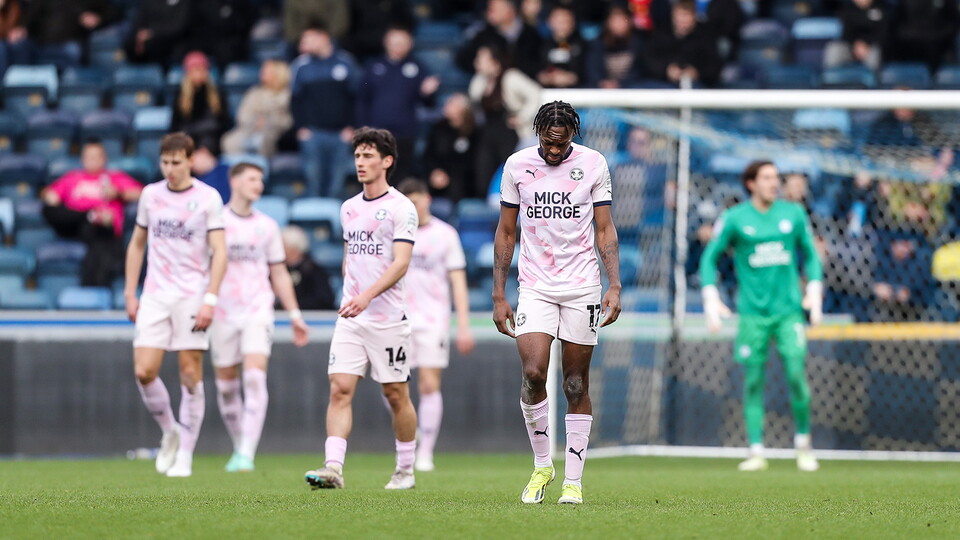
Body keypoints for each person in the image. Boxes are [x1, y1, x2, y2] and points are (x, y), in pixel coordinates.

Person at [492, 101, 622, 505]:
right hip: (535, 285)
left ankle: (574, 482)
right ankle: (542, 465)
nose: (554, 150)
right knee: (533, 372)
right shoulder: (516, 166)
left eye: (561, 143)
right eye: (548, 143)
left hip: (583, 285)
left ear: (572, 136)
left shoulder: (594, 164)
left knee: (575, 382)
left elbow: (605, 229)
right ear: (539, 134)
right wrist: (499, 293)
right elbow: (506, 231)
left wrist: (614, 285)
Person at [304, 127, 420, 491]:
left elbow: (400, 263)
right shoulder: (348, 208)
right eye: (357, 156)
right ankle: (333, 469)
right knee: (340, 389)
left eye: (369, 156)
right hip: (352, 317)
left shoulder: (402, 208)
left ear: (387, 161)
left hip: (387, 319)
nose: (361, 162)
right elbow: (350, 255)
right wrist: (350, 289)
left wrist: (367, 295)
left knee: (395, 394)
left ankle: (405, 469)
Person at [698, 160, 823, 473]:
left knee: (796, 376)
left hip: (788, 313)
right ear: (751, 183)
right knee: (753, 382)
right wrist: (710, 295)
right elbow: (709, 258)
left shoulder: (793, 214)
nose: (774, 183)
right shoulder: (735, 218)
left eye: (776, 178)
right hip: (752, 315)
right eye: (767, 178)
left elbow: (810, 254)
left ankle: (804, 445)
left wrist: (816, 288)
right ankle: (756, 450)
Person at [124, 132, 227, 478]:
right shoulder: (150, 195)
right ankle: (171, 429)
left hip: (192, 295)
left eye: (176, 162)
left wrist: (210, 299)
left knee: (189, 374)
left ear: (191, 160)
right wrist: (129, 291)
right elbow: (137, 244)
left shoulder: (208, 197)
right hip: (155, 294)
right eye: (165, 162)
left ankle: (185, 454)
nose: (170, 169)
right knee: (144, 371)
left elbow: (220, 252)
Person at [212, 162, 310, 473]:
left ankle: (245, 453)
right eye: (252, 179)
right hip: (222, 311)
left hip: (257, 309)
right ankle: (240, 445)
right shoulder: (216, 222)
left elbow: (278, 273)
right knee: (226, 387)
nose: (259, 184)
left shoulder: (267, 226)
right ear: (235, 182)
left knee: (254, 377)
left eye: (261, 179)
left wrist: (294, 313)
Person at [396, 178, 474, 472]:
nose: (413, 206)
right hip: (397, 319)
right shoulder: (396, 233)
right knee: (392, 385)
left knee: (429, 383)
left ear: (427, 199)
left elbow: (457, 281)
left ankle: (425, 451)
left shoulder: (445, 235)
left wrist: (462, 324)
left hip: (432, 319)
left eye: (416, 200)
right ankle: (410, 431)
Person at [41, 140, 142, 287]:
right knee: (48, 209)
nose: (92, 161)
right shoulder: (73, 177)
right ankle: (89, 215)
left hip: (101, 226)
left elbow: (141, 193)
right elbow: (48, 193)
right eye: (88, 157)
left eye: (96, 157)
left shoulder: (114, 177)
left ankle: (93, 290)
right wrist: (50, 195)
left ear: (104, 158)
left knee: (101, 237)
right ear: (82, 159)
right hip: (74, 222)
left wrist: (118, 193)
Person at [355, 25, 438, 182]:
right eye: (394, 42)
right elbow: (362, 100)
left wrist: (428, 92)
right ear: (386, 43)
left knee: (402, 177)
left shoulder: (417, 67)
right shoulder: (374, 67)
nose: (397, 47)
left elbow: (428, 103)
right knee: (375, 176)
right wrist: (362, 130)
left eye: (402, 43)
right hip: (377, 134)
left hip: (405, 134)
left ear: (410, 44)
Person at [290, 24, 360, 198]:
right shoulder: (301, 65)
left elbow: (356, 98)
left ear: (324, 38)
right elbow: (295, 101)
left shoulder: (346, 62)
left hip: (340, 134)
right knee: (313, 181)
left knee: (337, 184)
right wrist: (301, 127)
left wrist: (352, 126)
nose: (304, 43)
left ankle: (335, 222)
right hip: (312, 134)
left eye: (308, 38)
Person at [469, 43, 541, 198]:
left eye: (481, 58)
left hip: (509, 132)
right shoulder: (480, 80)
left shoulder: (511, 77)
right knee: (483, 174)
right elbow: (474, 100)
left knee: (511, 174)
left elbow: (535, 94)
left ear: (495, 62)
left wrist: (522, 117)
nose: (477, 62)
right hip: (488, 133)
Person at [640, 0, 723, 88]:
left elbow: (714, 64)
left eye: (686, 15)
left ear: (694, 16)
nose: (682, 20)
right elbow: (648, 60)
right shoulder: (660, 33)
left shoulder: (706, 35)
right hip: (662, 82)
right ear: (673, 15)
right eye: (679, 14)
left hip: (697, 84)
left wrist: (696, 72)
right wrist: (667, 70)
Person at [221, 59, 293, 158]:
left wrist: (268, 122)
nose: (261, 73)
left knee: (262, 141)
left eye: (266, 71)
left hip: (273, 133)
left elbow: (288, 121)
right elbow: (242, 115)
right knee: (229, 141)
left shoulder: (286, 96)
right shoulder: (254, 93)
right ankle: (238, 170)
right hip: (249, 129)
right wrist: (255, 122)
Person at [455, 0, 543, 80]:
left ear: (510, 10)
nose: (489, 12)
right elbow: (464, 59)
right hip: (492, 88)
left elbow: (537, 64)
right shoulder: (484, 35)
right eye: (489, 8)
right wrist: (481, 64)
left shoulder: (531, 35)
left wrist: (503, 68)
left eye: (494, 9)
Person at [171, 51, 230, 155]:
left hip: (211, 142)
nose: (197, 74)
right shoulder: (180, 95)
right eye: (194, 70)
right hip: (188, 142)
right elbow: (175, 125)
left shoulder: (216, 93)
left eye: (200, 70)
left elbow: (223, 123)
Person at [423, 93, 479, 201]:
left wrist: (449, 177)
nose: (446, 106)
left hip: (461, 181)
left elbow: (472, 162)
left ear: (463, 110)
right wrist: (435, 171)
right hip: (437, 177)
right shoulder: (438, 128)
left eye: (451, 104)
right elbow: (428, 155)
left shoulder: (474, 133)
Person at [280, 224, 337, 310]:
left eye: (283, 246)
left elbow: (324, 300)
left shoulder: (315, 271)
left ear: (293, 249)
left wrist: (292, 306)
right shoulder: (278, 270)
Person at [124, 0, 192, 67]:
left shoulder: (188, 3)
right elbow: (139, 24)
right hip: (150, 49)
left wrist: (152, 32)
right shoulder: (150, 3)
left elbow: (179, 27)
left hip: (177, 47)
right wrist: (138, 38)